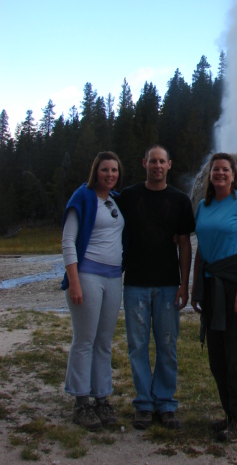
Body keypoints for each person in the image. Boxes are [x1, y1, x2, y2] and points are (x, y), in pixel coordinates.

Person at [192, 153, 237, 443]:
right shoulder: (204, 205)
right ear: (210, 175)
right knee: (217, 358)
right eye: (216, 169)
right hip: (212, 287)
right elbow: (201, 249)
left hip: (236, 285)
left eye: (225, 169)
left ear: (234, 175)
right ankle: (230, 414)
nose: (220, 173)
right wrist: (197, 286)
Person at [119, 144, 195, 430]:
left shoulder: (179, 200)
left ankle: (165, 403)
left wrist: (184, 285)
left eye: (162, 161)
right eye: (153, 161)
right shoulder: (128, 197)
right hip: (135, 283)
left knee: (167, 345)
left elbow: (185, 243)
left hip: (167, 284)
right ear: (144, 163)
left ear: (170, 165)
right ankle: (143, 403)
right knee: (137, 345)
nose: (157, 166)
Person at [61, 151, 124, 431]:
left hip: (113, 277)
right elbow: (68, 241)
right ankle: (81, 402)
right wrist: (73, 281)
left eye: (114, 170)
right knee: (84, 339)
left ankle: (102, 397)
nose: (109, 174)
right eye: (104, 170)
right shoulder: (83, 197)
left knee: (103, 340)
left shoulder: (115, 201)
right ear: (95, 172)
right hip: (86, 275)